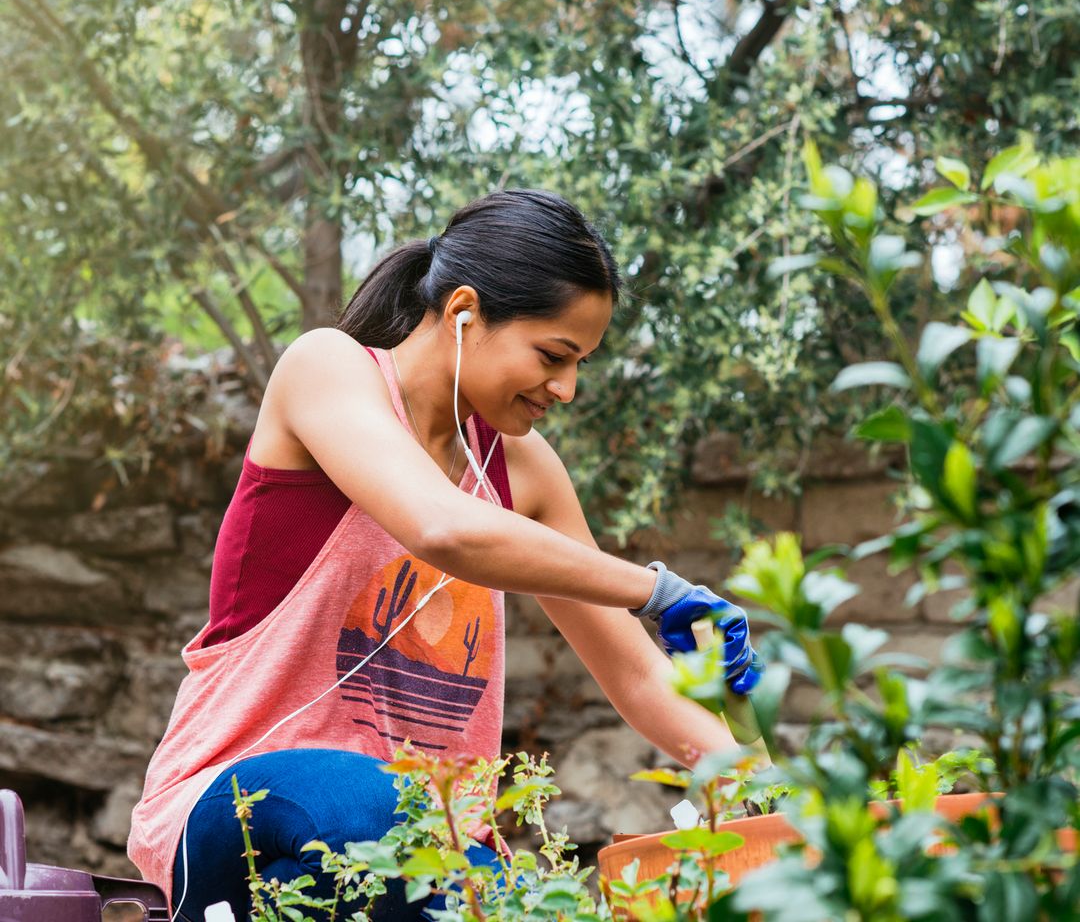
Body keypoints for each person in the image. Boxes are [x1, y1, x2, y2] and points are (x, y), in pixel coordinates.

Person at [127, 189, 762, 921]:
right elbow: (443, 528)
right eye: (554, 356)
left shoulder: (523, 468)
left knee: (523, 896)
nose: (568, 388)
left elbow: (640, 676)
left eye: (582, 362)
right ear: (464, 312)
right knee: (381, 814)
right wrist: (656, 590)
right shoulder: (327, 370)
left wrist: (770, 794)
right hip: (237, 803)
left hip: (434, 854)